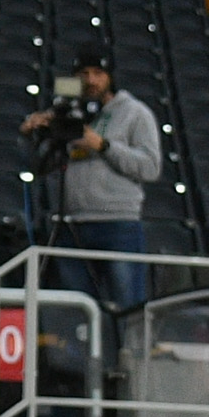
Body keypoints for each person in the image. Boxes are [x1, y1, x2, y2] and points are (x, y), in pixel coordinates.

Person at [26, 49, 163, 316]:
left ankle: (128, 355)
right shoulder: (67, 115)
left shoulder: (135, 113)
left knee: (128, 307)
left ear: (110, 77)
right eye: (84, 74)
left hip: (117, 225)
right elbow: (40, 168)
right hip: (72, 224)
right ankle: (81, 359)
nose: (91, 80)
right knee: (72, 310)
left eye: (98, 73)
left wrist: (103, 145)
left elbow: (151, 167)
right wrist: (34, 136)